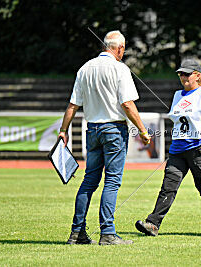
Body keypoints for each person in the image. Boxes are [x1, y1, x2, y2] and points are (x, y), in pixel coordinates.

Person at [59, 30, 150, 245]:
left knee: (89, 181)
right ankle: (108, 233)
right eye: (123, 49)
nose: (123, 52)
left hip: (92, 130)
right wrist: (143, 131)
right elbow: (127, 104)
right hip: (114, 131)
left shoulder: (84, 68)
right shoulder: (120, 69)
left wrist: (63, 131)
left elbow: (73, 104)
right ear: (118, 49)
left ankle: (77, 233)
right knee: (112, 181)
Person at [135, 59, 201, 236]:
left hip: (198, 150)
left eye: (187, 73)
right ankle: (153, 224)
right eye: (181, 73)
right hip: (177, 150)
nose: (183, 77)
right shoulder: (177, 95)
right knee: (168, 187)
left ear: (197, 75)